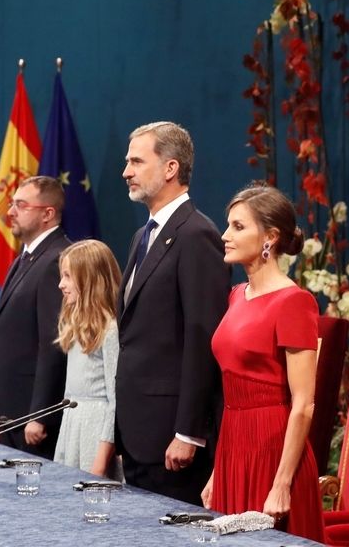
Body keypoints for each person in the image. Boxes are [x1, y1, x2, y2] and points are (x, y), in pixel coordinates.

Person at [200, 183, 324, 540]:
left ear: (270, 237)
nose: (225, 235)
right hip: (233, 445)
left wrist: (282, 482)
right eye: (228, 225)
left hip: (273, 450)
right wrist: (217, 472)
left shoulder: (294, 302)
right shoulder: (237, 295)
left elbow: (303, 404)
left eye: (238, 227)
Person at [115, 121, 230, 505]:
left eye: (136, 161)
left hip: (171, 438)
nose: (126, 171)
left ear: (170, 168)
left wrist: (189, 432)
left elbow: (203, 338)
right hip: (137, 432)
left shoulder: (196, 235)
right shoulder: (141, 236)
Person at [0, 175, 71, 459]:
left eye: (20, 205)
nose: (9, 212)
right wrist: (1, 413)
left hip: (33, 420)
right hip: (13, 413)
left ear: (48, 214)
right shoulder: (25, 258)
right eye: (11, 204)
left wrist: (40, 415)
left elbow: (54, 344)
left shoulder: (57, 260)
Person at [52, 240, 122, 479]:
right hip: (73, 425)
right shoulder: (76, 325)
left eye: (68, 276)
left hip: (95, 431)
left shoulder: (110, 328)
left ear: (90, 279)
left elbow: (114, 401)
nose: (61, 284)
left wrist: (100, 463)